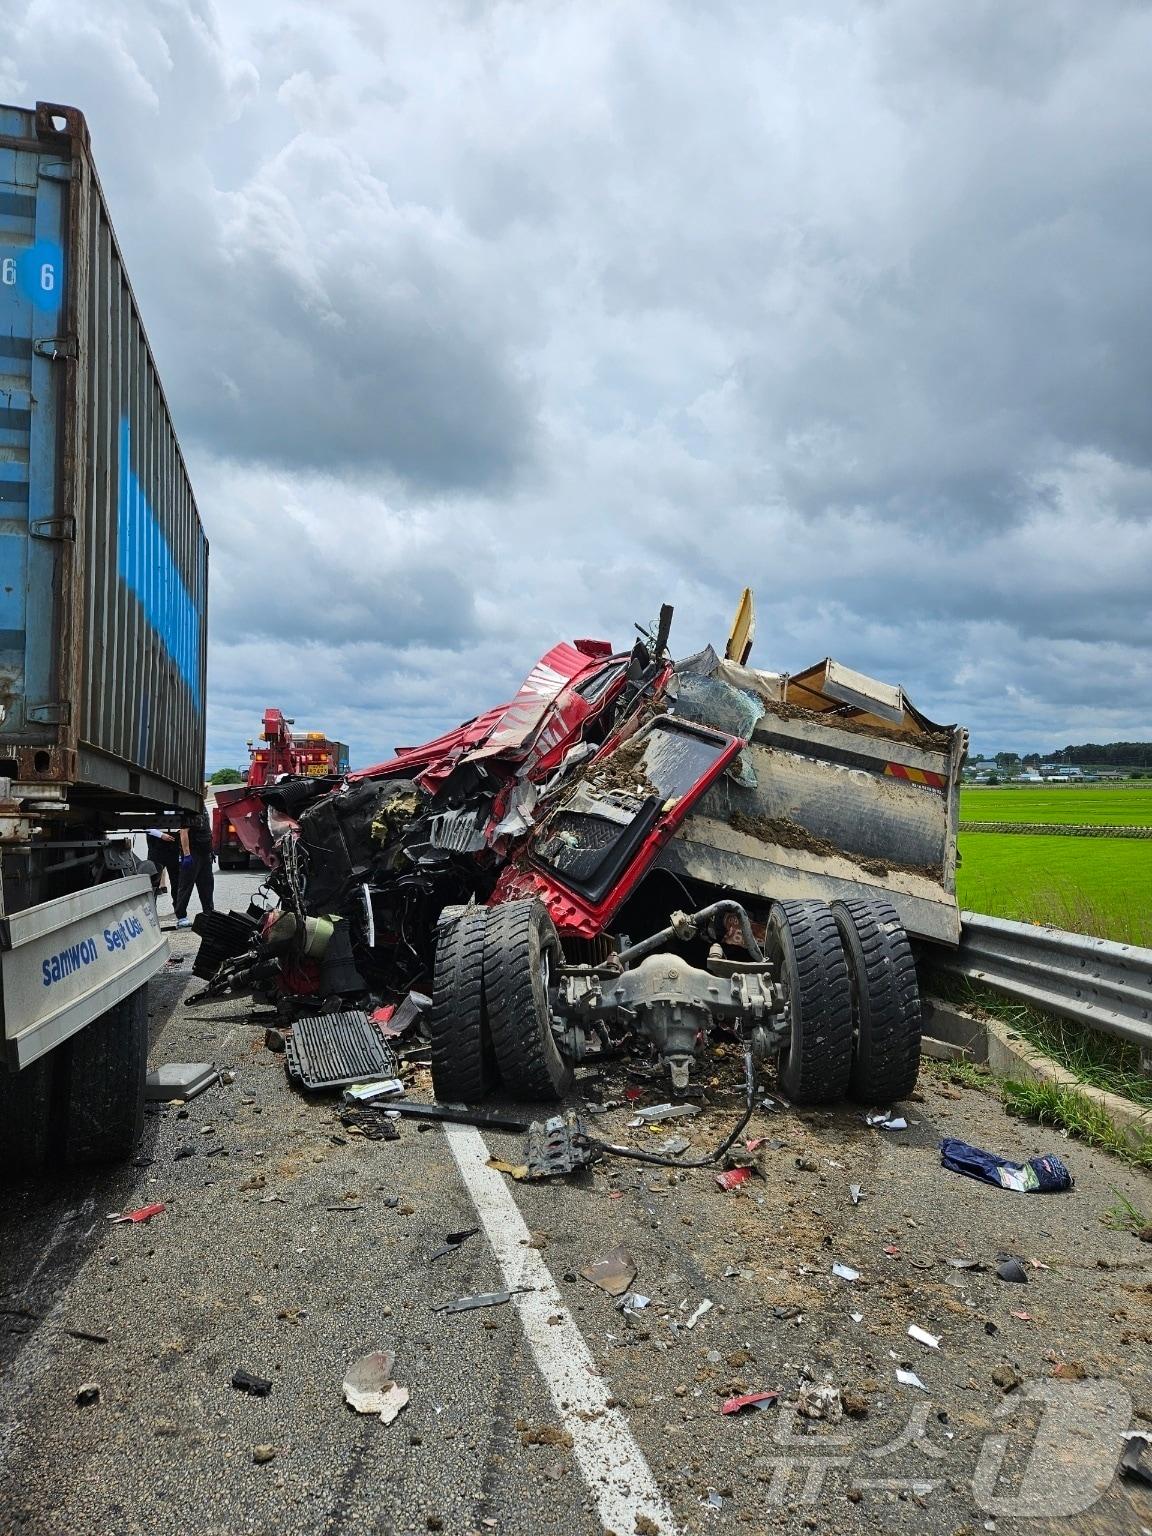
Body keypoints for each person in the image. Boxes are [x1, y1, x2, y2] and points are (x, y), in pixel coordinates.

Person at [173, 809, 215, 929]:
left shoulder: (203, 808)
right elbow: (183, 832)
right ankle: (181, 916)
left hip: (205, 853)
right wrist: (187, 854)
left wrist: (211, 850)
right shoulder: (190, 809)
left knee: (207, 886)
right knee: (186, 886)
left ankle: (209, 914)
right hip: (193, 853)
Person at [145, 827, 181, 900]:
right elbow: (146, 827)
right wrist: (161, 835)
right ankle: (151, 904)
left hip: (174, 843)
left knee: (177, 881)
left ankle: (178, 905)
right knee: (153, 880)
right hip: (156, 844)